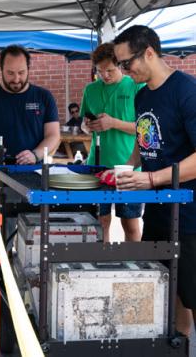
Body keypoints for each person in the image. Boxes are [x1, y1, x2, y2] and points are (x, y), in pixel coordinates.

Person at [112, 25, 196, 336]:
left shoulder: (187, 90)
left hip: (190, 218)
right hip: (159, 213)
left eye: (126, 63)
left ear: (149, 52)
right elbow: (144, 141)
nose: (124, 70)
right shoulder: (143, 95)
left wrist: (151, 178)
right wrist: (125, 167)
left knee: (192, 294)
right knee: (168, 294)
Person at [80, 43, 144, 242]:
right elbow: (83, 124)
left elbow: (145, 128)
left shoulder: (135, 85)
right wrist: (88, 126)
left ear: (120, 65)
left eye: (110, 70)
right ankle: (101, 261)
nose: (105, 75)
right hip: (97, 164)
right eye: (100, 71)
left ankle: (134, 265)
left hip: (129, 165)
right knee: (99, 221)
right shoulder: (90, 90)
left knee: (130, 222)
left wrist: (113, 123)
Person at [0, 44, 60, 165]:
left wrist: (35, 154)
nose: (17, 79)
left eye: (21, 72)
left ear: (28, 69)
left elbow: (53, 135)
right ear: (1, 69)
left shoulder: (44, 97)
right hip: (0, 171)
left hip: (36, 170)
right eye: (10, 73)